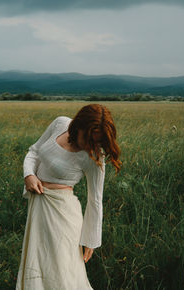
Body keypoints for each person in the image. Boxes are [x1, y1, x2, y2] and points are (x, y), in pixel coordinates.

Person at [15, 104, 122, 290]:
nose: (90, 145)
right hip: (38, 207)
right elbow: (33, 152)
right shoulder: (60, 124)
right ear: (78, 125)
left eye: (96, 141)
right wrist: (29, 175)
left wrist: (91, 240)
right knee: (37, 264)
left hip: (63, 215)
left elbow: (95, 199)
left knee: (62, 271)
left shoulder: (95, 156)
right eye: (88, 139)